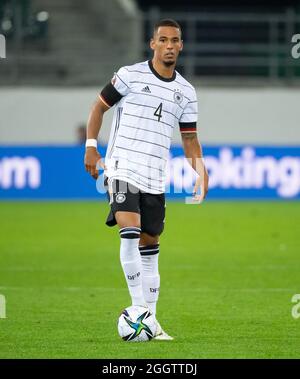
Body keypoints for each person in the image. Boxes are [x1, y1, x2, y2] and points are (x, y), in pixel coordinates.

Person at [84, 19, 209, 340]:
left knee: (150, 244)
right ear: (152, 44)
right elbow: (98, 108)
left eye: (175, 40)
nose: (169, 45)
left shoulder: (186, 92)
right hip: (122, 167)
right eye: (163, 40)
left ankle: (151, 319)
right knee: (130, 231)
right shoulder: (129, 75)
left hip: (155, 176)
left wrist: (202, 171)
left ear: (181, 46)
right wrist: (91, 148)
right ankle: (139, 311)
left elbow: (190, 139)